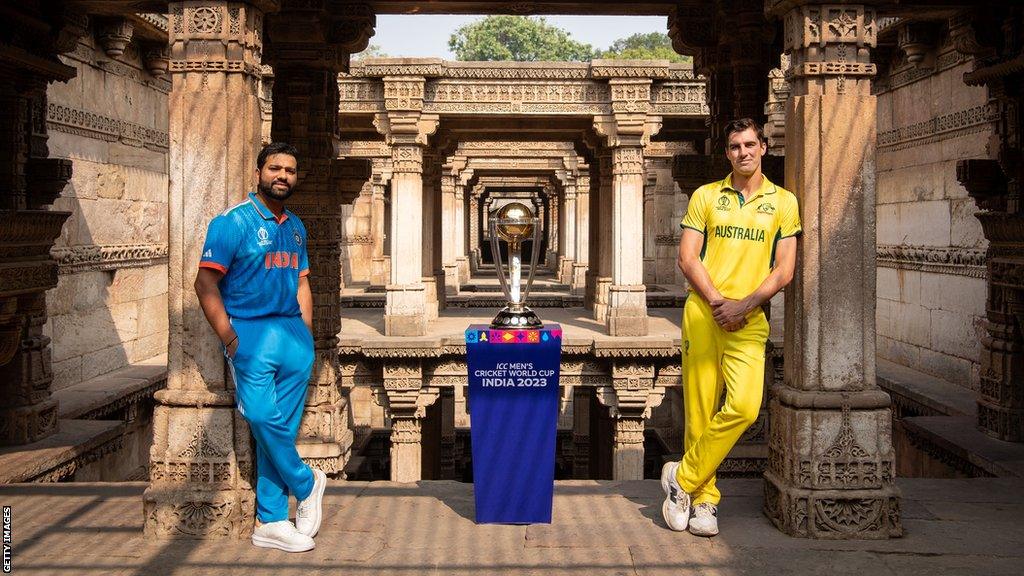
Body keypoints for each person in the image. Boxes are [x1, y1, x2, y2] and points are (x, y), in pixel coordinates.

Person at [663, 118, 801, 536]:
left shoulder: (783, 202)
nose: (743, 152)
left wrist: (745, 304)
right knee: (701, 409)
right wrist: (720, 302)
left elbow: (785, 270)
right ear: (727, 153)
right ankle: (704, 501)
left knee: (743, 406)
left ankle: (681, 478)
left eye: (750, 144)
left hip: (750, 317)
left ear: (763, 147)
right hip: (705, 313)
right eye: (735, 146)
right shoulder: (707, 196)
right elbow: (688, 258)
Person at [194, 142, 326, 552]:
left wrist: (306, 334)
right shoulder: (232, 223)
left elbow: (302, 281)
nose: (282, 175)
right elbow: (204, 283)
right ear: (258, 173)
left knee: (280, 428)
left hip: (292, 338)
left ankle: (270, 521)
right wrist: (230, 338)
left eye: (289, 169)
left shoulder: (296, 226)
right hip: (250, 335)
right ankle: (306, 481)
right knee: (261, 415)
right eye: (274, 168)